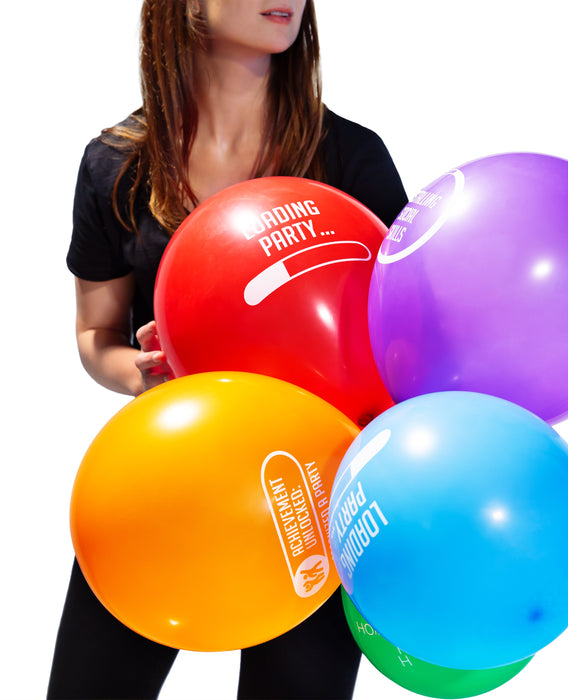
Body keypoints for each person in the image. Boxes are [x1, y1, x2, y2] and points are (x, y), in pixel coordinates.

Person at [47, 1, 407, 699]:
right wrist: (141, 372)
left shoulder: (350, 157)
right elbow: (95, 336)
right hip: (165, 485)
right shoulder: (115, 164)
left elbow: (404, 337)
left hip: (309, 501)